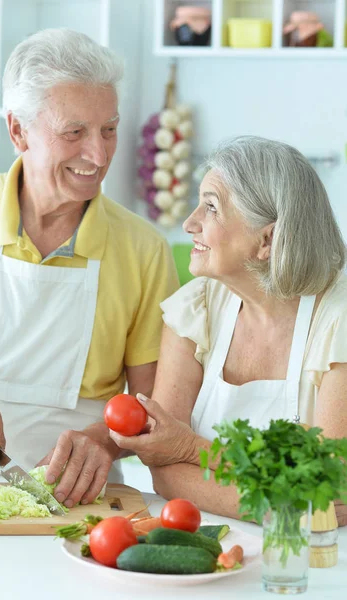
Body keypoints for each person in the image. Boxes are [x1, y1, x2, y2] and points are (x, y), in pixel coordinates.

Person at [0, 29, 179, 508]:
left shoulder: (143, 249)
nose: (98, 156)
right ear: (18, 131)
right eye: (74, 133)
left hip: (79, 498)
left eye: (109, 130)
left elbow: (155, 406)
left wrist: (104, 439)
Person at [109, 136, 347, 526]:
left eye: (211, 208)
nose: (190, 223)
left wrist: (189, 449)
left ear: (266, 240)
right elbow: (163, 467)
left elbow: (330, 482)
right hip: (201, 539)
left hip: (309, 560)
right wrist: (277, 505)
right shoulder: (195, 308)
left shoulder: (339, 318)